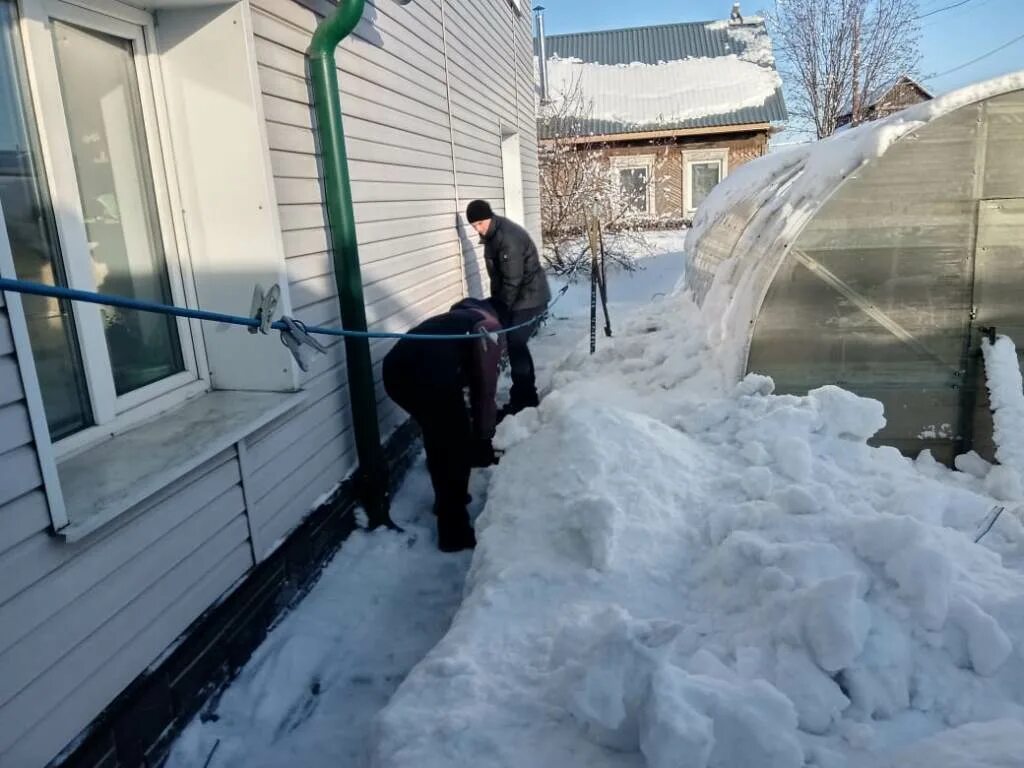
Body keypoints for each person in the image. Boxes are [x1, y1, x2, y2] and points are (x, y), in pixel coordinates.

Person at [382, 298, 504, 553]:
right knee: (455, 446)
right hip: (428, 376)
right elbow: (485, 391)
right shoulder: (489, 326)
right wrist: (483, 439)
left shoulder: (454, 320)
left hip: (395, 373)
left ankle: (446, 501)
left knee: (439, 433)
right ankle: (454, 532)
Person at [465, 199, 551, 418]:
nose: (478, 229)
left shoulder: (507, 239)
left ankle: (525, 400)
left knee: (515, 342)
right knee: (515, 345)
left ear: (489, 217)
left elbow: (512, 280)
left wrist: (501, 307)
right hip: (521, 296)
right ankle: (525, 396)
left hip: (529, 297)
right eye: (474, 226)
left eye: (480, 223)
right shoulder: (494, 234)